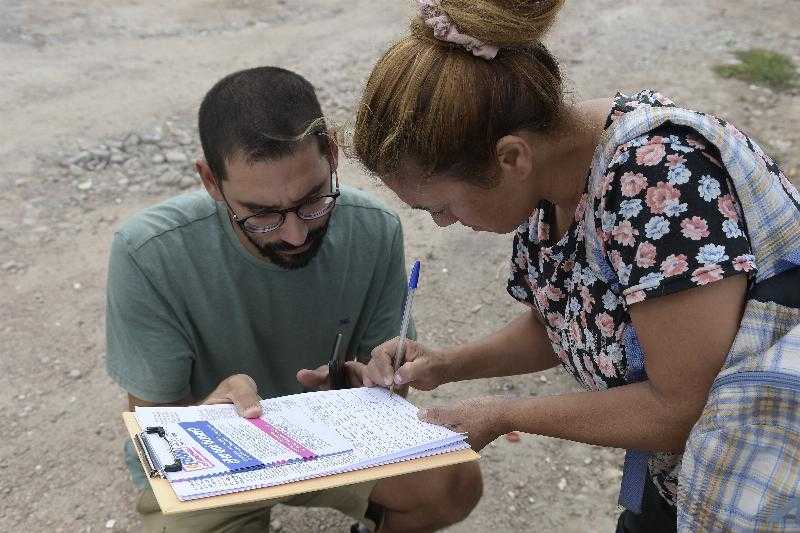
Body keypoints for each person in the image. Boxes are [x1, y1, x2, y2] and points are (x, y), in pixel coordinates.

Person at [351, 1, 800, 531]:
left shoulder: (655, 180)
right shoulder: (551, 171)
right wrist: (449, 364)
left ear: (511, 158)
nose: (445, 224)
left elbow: (678, 408)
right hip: (693, 476)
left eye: (441, 207)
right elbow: (573, 320)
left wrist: (504, 412)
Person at [105, 66, 482, 533]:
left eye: (313, 200)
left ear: (333, 156)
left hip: (328, 439)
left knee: (453, 485)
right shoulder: (149, 253)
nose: (296, 232)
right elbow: (154, 425)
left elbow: (389, 378)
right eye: (261, 215)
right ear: (210, 182)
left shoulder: (374, 229)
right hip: (217, 460)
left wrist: (370, 386)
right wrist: (211, 416)